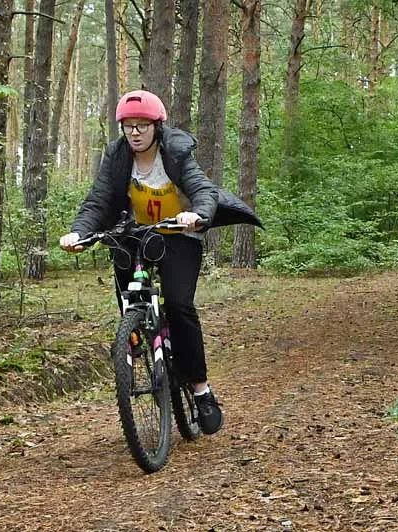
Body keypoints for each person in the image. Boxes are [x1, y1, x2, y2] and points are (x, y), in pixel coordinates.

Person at [59, 90, 260, 435]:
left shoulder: (177, 151)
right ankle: (136, 336)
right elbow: (98, 199)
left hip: (179, 233)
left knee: (180, 304)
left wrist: (197, 215)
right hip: (136, 233)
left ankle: (200, 390)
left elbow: (202, 188)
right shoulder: (117, 155)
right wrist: (78, 233)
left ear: (157, 126)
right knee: (128, 296)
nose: (135, 133)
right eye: (128, 126)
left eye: (142, 126)